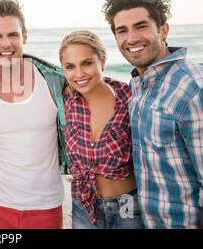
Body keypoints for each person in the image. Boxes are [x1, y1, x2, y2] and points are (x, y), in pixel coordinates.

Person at [102, 0, 203, 229]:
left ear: (163, 30)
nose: (132, 38)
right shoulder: (137, 85)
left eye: (141, 26)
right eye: (122, 30)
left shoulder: (191, 88)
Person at [0, 0, 69, 229]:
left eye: (13, 34)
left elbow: (92, 90)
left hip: (47, 205)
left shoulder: (54, 80)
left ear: (24, 36)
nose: (6, 44)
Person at [59, 30, 144, 229]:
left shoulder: (130, 99)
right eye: (70, 66)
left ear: (102, 61)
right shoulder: (66, 100)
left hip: (128, 207)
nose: (79, 74)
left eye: (87, 63)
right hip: (83, 207)